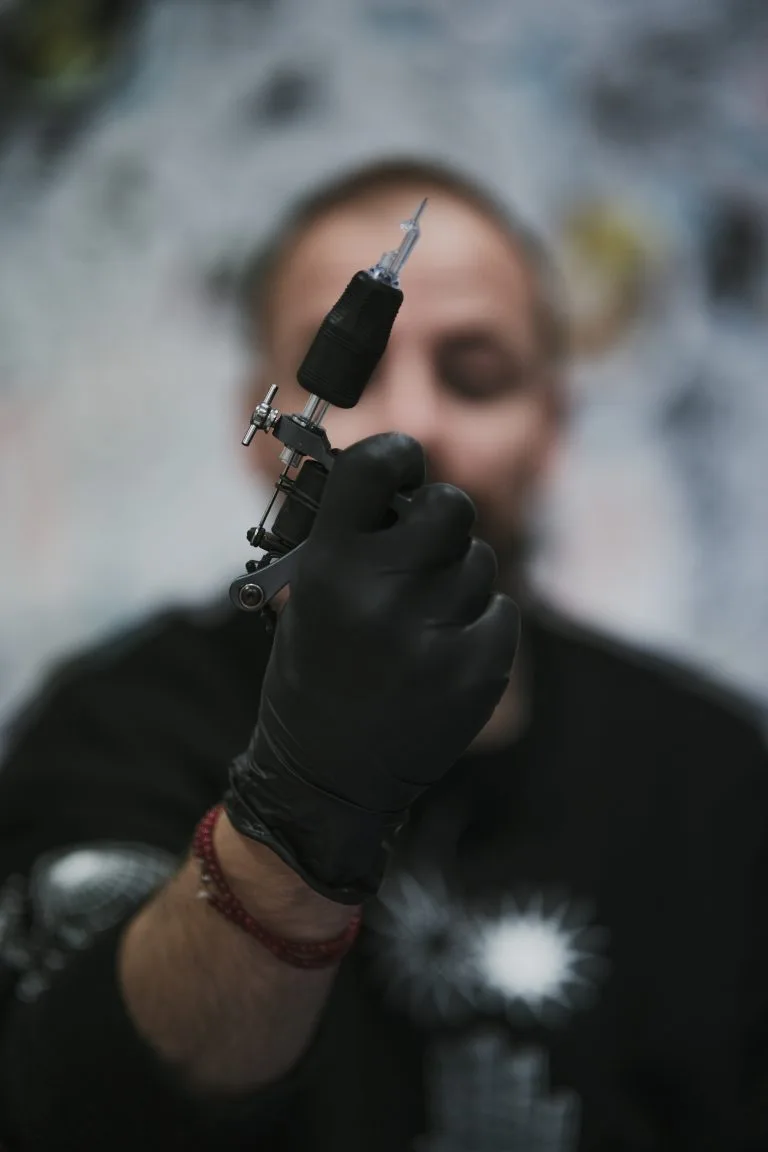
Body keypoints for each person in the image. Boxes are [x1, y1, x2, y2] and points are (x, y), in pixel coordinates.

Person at [0, 157, 767, 1152]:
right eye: (352, 373)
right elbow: (81, 1100)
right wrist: (301, 802)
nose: (418, 426)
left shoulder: (716, 779)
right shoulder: (120, 728)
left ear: (553, 422)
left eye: (478, 373)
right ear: (264, 425)